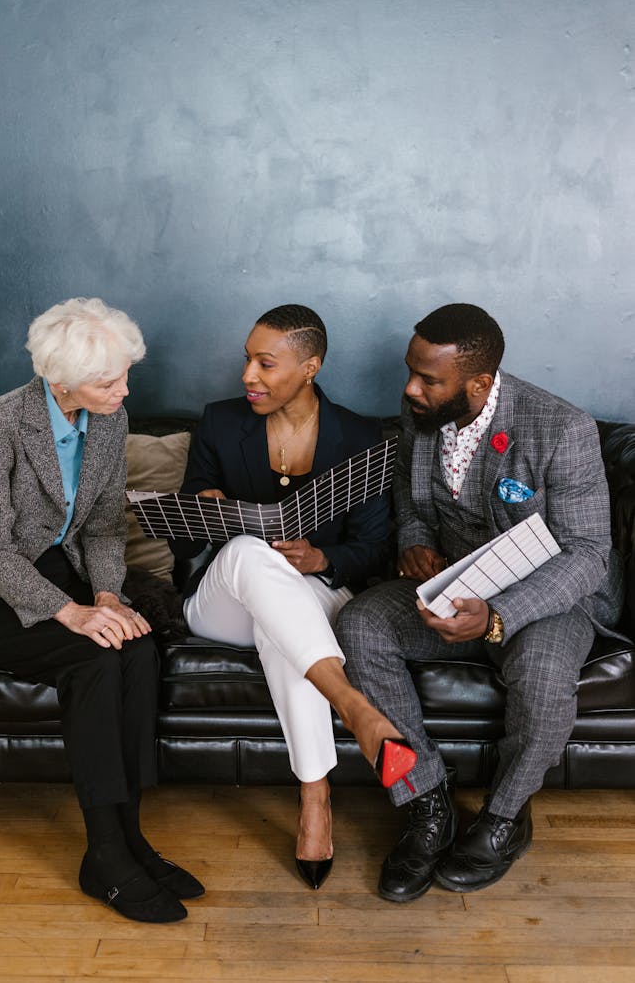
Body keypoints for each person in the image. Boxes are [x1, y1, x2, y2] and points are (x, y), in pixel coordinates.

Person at [336, 302, 625, 902]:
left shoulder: (559, 428)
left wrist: (498, 617)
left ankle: (503, 819)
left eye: (427, 379)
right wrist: (415, 544)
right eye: (409, 372)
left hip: (547, 597)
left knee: (543, 675)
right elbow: (412, 503)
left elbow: (589, 554)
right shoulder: (420, 413)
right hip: (455, 587)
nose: (410, 389)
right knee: (362, 622)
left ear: (479, 383)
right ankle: (425, 801)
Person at [0, 297, 204, 924]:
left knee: (138, 649)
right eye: (107, 380)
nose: (124, 390)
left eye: (125, 375)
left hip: (60, 572)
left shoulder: (110, 420)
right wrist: (71, 613)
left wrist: (107, 596)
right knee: (92, 660)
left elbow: (105, 528)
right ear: (60, 380)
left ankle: (133, 836)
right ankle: (104, 856)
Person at [169, 303, 417, 889]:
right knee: (253, 554)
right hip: (222, 599)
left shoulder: (358, 437)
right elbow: (182, 544)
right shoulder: (220, 422)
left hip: (314, 597)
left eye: (265, 363)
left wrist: (322, 557)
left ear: (310, 367)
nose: (247, 377)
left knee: (282, 623)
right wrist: (201, 515)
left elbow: (376, 548)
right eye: (246, 361)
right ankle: (353, 708)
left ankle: (314, 798)